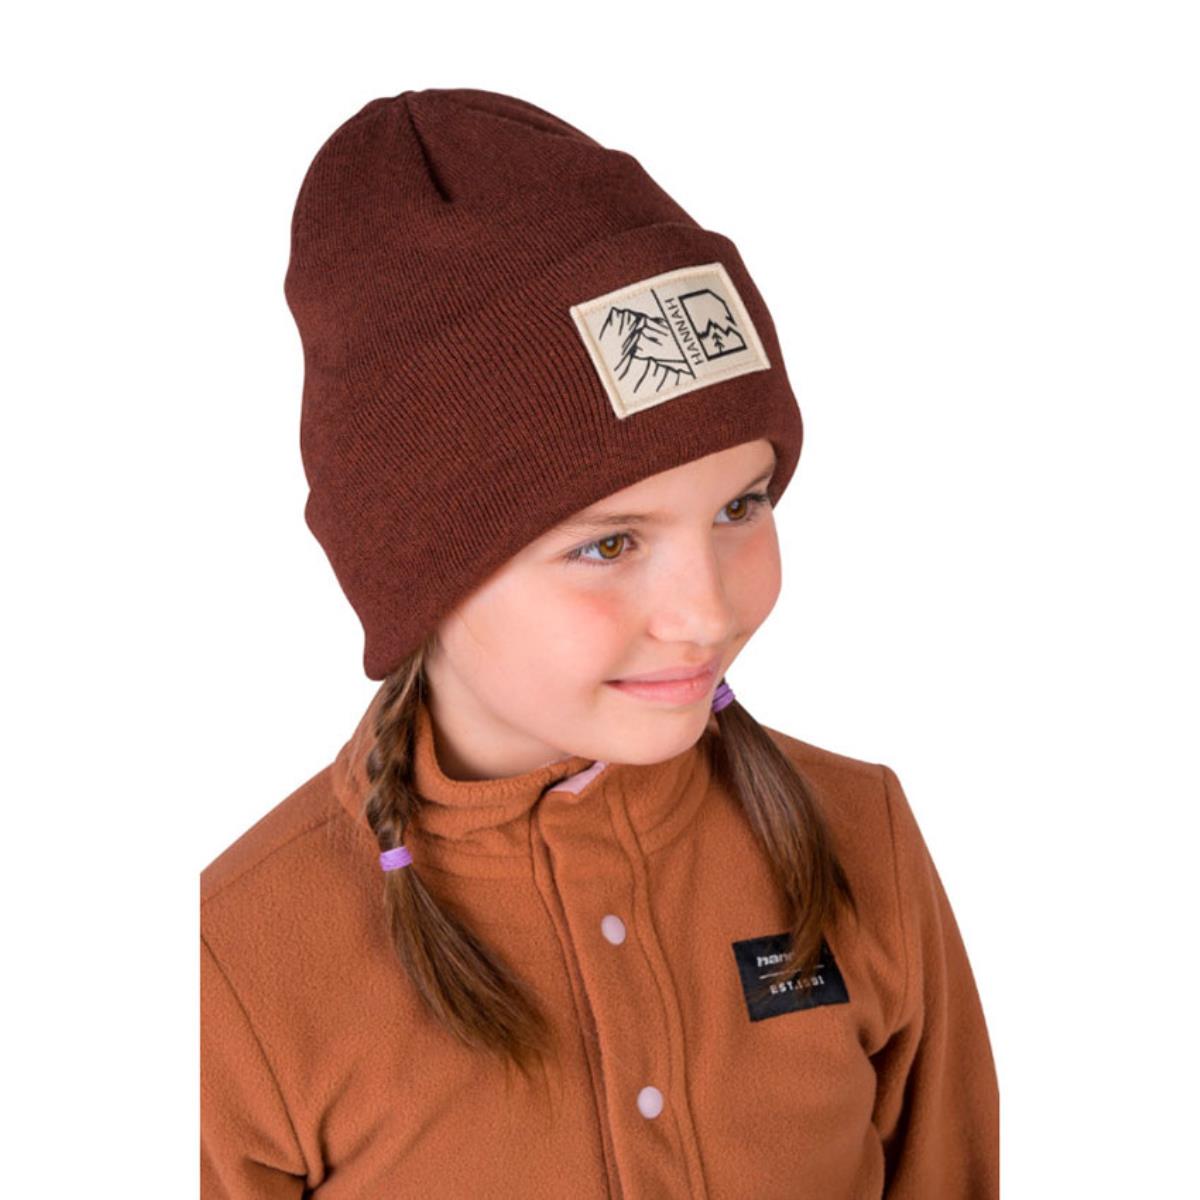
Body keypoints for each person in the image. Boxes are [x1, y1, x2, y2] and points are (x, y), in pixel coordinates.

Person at [200, 86, 1000, 1198]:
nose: (705, 612)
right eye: (610, 543)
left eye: (740, 506)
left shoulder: (863, 839)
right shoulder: (234, 961)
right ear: (415, 571)